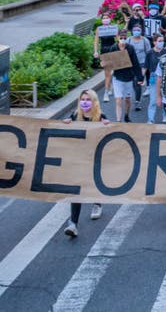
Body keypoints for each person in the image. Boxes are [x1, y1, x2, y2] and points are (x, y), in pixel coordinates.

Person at [61, 90, 109, 236]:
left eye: (88, 99)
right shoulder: (75, 116)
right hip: (79, 160)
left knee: (93, 184)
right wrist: (66, 124)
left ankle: (97, 202)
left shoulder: (101, 117)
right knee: (78, 191)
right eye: (82, 99)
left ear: (94, 102)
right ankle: (73, 224)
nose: (85, 102)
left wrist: (107, 126)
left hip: (95, 159)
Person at [107, 29, 144, 123]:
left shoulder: (130, 48)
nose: (122, 39)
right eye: (121, 38)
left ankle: (126, 115)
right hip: (118, 77)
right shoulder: (113, 48)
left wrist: (140, 77)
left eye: (124, 38)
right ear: (117, 38)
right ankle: (118, 120)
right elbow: (109, 62)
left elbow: (135, 63)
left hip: (129, 77)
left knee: (127, 99)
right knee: (118, 99)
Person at [94, 13, 118, 103]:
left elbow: (118, 39)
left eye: (107, 18)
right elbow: (96, 41)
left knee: (114, 71)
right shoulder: (99, 29)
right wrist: (95, 51)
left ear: (110, 19)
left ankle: (110, 86)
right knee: (107, 73)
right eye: (103, 18)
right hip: (104, 51)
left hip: (113, 50)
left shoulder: (113, 28)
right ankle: (106, 92)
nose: (105, 19)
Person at [127, 25, 151, 111]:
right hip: (131, 64)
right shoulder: (129, 40)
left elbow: (149, 53)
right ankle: (137, 96)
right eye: (134, 30)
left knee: (137, 82)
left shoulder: (145, 41)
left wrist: (147, 66)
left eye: (138, 30)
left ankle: (137, 101)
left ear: (141, 31)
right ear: (132, 31)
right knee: (133, 83)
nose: (136, 31)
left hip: (141, 64)